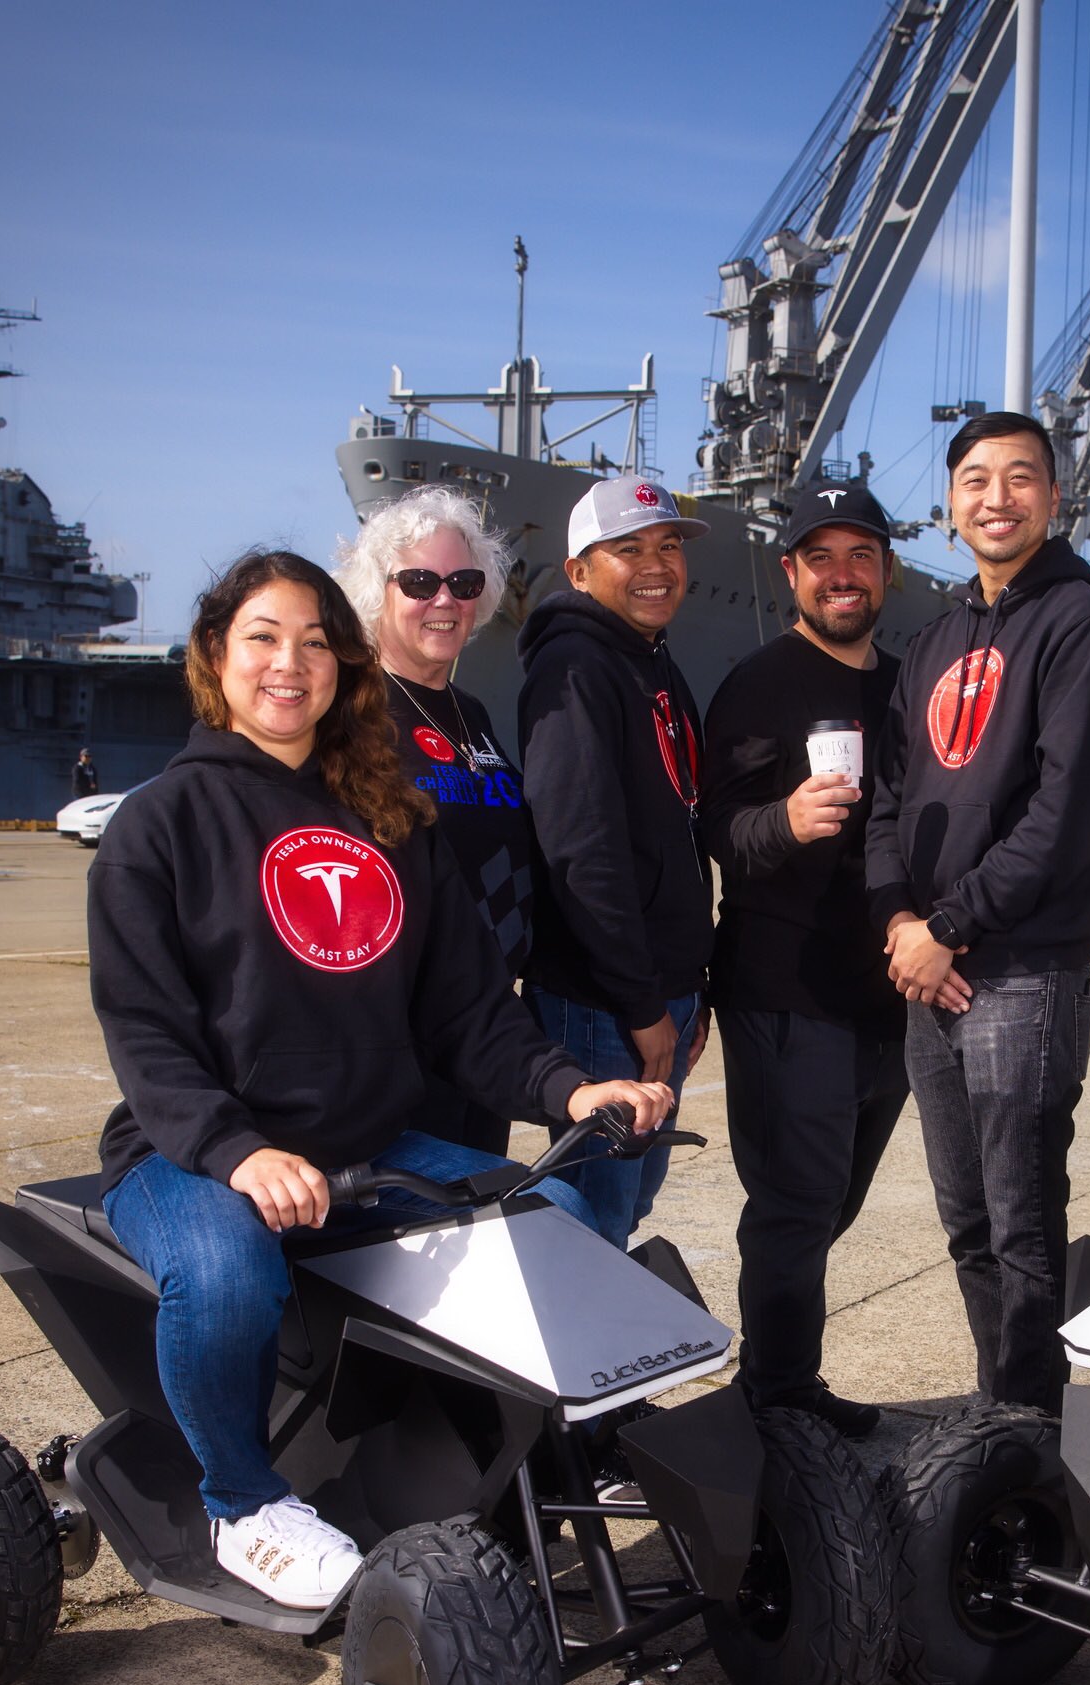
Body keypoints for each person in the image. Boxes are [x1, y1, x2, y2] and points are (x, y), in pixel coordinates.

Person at [89, 548, 671, 1609]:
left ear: (343, 669)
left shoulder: (390, 821)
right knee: (225, 1277)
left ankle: (512, 1457)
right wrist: (240, 1151)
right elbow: (147, 1034)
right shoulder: (155, 826)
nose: (289, 662)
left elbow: (464, 1009)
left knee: (562, 1212)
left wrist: (566, 1088)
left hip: (365, 1146)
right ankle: (244, 1503)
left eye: (315, 641)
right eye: (262, 636)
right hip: (193, 1153)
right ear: (214, 657)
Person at [865, 412, 1090, 1413]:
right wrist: (899, 921)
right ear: (949, 505)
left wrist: (950, 923)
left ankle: (1032, 1426)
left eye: (1019, 477)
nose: (996, 496)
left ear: (1054, 497)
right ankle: (999, 1411)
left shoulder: (1083, 629)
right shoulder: (931, 638)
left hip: (1023, 970)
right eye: (975, 478)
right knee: (966, 1224)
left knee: (1023, 1224)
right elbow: (887, 801)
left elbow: (1067, 814)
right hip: (926, 971)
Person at [700, 484, 908, 1440]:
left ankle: (776, 1378)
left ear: (886, 571)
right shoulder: (760, 685)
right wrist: (783, 821)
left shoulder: (906, 687)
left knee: (834, 1202)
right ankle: (779, 1400)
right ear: (790, 572)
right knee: (793, 1203)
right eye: (819, 556)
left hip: (887, 1000)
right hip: (787, 994)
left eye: (858, 555)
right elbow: (722, 834)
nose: (841, 574)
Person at [517, 475, 714, 1247]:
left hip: (655, 993)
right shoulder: (574, 671)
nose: (655, 564)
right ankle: (568, 1370)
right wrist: (642, 1005)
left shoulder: (650, 660)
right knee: (589, 1224)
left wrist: (689, 987)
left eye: (667, 545)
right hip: (605, 1003)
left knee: (623, 1212)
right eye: (627, 549)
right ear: (578, 571)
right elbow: (581, 851)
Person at [337, 486, 533, 1153]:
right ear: (377, 592)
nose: (444, 599)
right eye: (420, 581)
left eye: (463, 581)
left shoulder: (469, 714)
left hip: (480, 1034)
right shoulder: (350, 717)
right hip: (396, 1038)